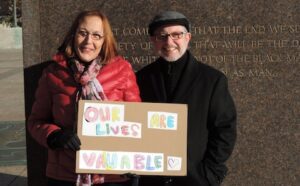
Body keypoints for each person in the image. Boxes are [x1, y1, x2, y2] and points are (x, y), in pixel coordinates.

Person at [28, 10, 141, 186]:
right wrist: (54, 135)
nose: (89, 41)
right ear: (73, 36)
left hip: (113, 175)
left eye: (97, 35)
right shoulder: (52, 74)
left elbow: (137, 121)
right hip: (65, 176)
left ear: (105, 41)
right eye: (83, 33)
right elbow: (36, 121)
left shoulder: (123, 71)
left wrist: (136, 160)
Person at [136, 11, 237, 186]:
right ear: (153, 40)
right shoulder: (141, 78)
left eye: (176, 35)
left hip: (194, 179)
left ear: (188, 37)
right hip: (150, 179)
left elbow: (224, 129)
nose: (169, 42)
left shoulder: (212, 79)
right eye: (162, 36)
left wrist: (209, 173)